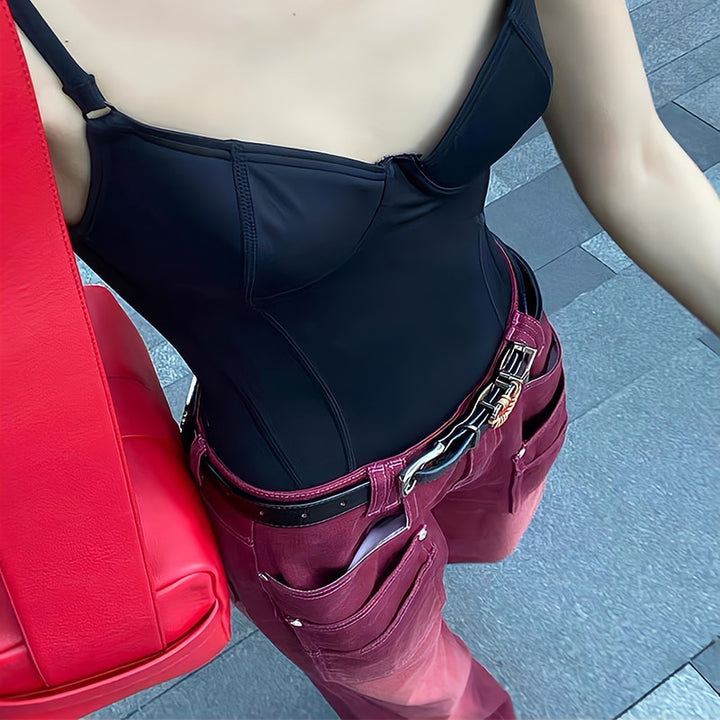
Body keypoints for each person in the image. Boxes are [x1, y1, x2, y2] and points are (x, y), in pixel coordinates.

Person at [11, 0, 720, 717]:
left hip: (517, 380)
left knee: (492, 542)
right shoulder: (25, 60)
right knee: (432, 702)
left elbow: (638, 164)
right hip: (324, 523)